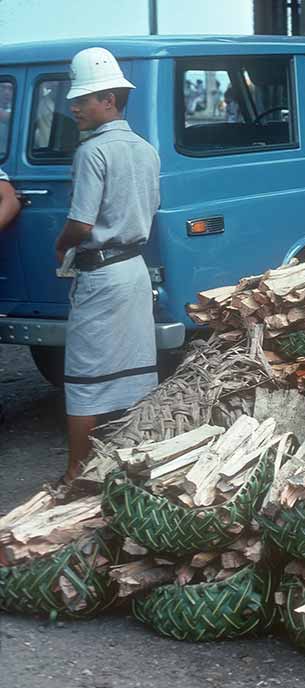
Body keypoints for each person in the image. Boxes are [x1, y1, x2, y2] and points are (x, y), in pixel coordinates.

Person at [54, 47, 161, 482]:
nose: (74, 106)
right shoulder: (145, 149)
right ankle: (133, 466)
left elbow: (80, 224)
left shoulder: (92, 152)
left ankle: (76, 472)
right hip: (133, 270)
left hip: (99, 272)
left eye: (83, 99)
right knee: (134, 373)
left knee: (83, 379)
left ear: (110, 100)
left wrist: (59, 248)